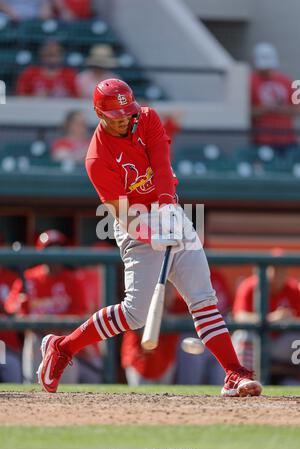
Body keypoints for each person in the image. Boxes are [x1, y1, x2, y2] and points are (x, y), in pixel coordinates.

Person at [37, 78, 262, 397]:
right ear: (100, 115)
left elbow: (161, 166)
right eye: (116, 116)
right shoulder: (97, 157)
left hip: (168, 212)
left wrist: (168, 210)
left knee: (202, 298)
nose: (125, 120)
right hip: (134, 224)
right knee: (134, 313)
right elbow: (123, 214)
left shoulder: (148, 118)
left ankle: (234, 373)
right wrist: (151, 232)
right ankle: (63, 348)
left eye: (127, 113)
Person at [5, 230, 103, 384]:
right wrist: (20, 304)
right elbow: (10, 306)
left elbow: (80, 313)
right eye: (50, 249)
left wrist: (51, 321)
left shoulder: (72, 281)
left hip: (62, 339)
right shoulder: (29, 278)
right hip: (36, 338)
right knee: (33, 383)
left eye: (59, 249)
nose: (55, 255)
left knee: (67, 386)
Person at [232, 263, 300, 384]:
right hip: (256, 343)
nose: (277, 275)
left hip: (280, 343)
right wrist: (271, 318)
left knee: (297, 339)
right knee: (243, 335)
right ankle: (242, 380)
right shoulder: (250, 285)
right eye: (273, 270)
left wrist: (291, 319)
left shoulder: (293, 288)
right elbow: (239, 317)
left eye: (281, 270)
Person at [121, 282, 187, 385]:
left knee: (164, 398)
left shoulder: (178, 304)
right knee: (140, 398)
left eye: (170, 291)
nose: (169, 295)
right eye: (166, 291)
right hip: (139, 361)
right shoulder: (142, 305)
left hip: (166, 362)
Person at [251, 42, 298, 153]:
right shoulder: (250, 81)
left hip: (286, 138)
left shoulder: (286, 80)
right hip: (261, 139)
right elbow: (245, 111)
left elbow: (297, 108)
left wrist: (279, 108)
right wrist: (267, 108)